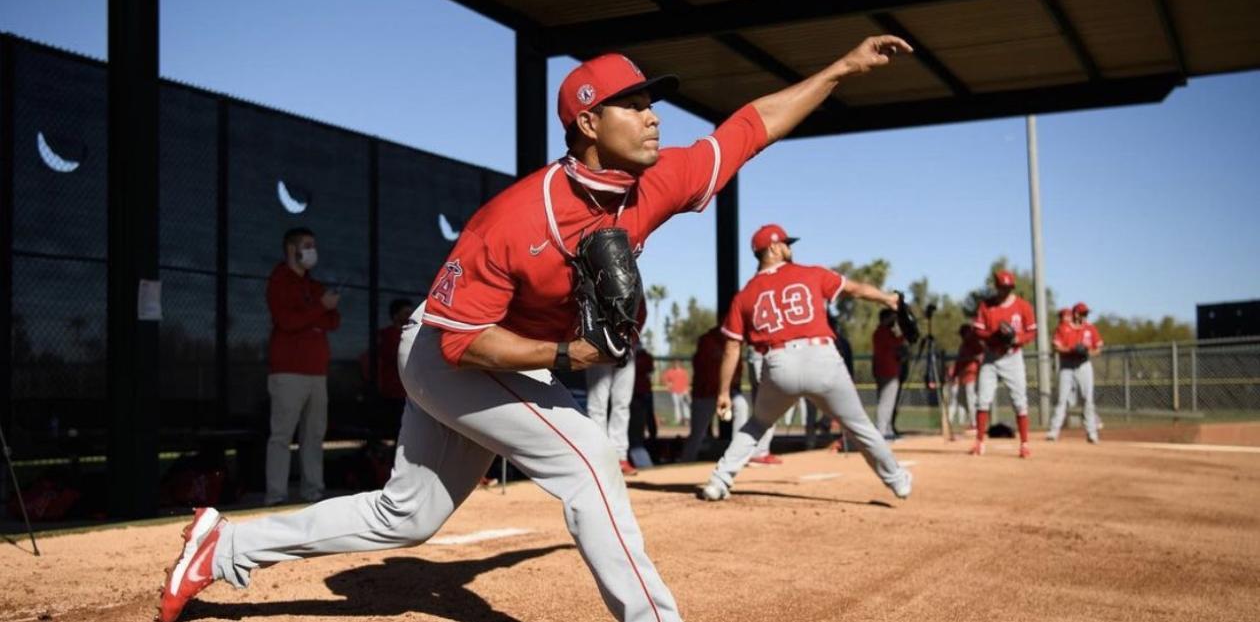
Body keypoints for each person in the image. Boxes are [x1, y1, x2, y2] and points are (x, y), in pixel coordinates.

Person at [156, 34, 913, 622]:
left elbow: (752, 127)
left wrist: (841, 67)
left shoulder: (653, 182)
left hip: (503, 356)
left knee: (405, 516)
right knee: (589, 457)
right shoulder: (517, 220)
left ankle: (225, 545)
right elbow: (462, 341)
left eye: (651, 102)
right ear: (587, 121)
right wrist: (567, 352)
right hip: (447, 349)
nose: (653, 115)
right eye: (633, 104)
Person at [698, 223, 913, 502]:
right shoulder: (810, 273)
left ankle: (718, 482)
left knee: (757, 425)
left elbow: (731, 347)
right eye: (785, 243)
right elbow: (856, 289)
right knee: (860, 426)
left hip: (778, 364)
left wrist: (724, 392)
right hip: (821, 357)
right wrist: (889, 299)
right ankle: (898, 481)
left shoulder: (745, 295)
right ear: (773, 248)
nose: (789, 248)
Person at [263, 227, 341, 506]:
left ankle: (313, 491)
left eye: (313, 245)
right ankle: (276, 495)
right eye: (307, 245)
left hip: (317, 372)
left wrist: (315, 311)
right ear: (291, 249)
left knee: (314, 436)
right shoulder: (279, 281)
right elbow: (287, 321)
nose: (312, 251)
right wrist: (319, 309)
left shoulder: (314, 285)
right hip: (288, 372)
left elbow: (333, 321)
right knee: (282, 435)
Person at [968, 269, 1037, 458]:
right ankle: (979, 442)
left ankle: (1024, 444)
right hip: (991, 356)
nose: (1005, 290)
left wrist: (1017, 338)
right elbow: (978, 330)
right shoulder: (987, 305)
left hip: (1013, 357)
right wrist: (995, 335)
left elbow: (1032, 331)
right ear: (997, 287)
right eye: (1002, 287)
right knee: (983, 399)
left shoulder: (1023, 306)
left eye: (1008, 287)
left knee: (1019, 401)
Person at [585, 303, 646, 475]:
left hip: (626, 344)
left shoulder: (635, 286)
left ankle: (620, 456)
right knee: (597, 403)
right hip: (599, 343)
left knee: (622, 403)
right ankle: (599, 457)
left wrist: (632, 337)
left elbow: (641, 310)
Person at [681, 325, 742, 462]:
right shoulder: (707, 340)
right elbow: (701, 368)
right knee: (698, 434)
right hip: (705, 394)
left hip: (725, 393)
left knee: (741, 404)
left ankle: (738, 454)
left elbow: (738, 371)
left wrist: (731, 388)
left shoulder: (735, 341)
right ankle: (686, 462)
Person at [1047, 302, 1104, 443]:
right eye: (1083, 313)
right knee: (1062, 400)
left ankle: (1091, 433)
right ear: (1075, 314)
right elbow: (1056, 347)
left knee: (1088, 399)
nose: (1085, 316)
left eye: (1086, 313)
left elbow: (1098, 348)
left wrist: (1087, 352)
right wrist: (1071, 350)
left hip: (1084, 365)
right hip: (1067, 366)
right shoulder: (1063, 328)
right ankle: (1053, 432)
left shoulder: (1090, 328)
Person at [360, 298, 414, 433]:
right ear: (395, 316)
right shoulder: (386, 335)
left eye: (411, 313)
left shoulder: (413, 336)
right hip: (391, 392)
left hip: (408, 392)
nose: (410, 317)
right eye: (406, 313)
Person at [872, 308, 908, 439]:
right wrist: (900, 332)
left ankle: (887, 429)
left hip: (884, 369)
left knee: (887, 401)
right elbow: (899, 343)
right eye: (892, 319)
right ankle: (882, 430)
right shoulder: (883, 332)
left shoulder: (880, 332)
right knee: (886, 402)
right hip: (888, 370)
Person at [946, 324, 983, 430]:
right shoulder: (963, 346)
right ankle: (970, 421)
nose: (963, 336)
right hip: (963, 376)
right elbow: (959, 362)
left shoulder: (975, 344)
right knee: (961, 400)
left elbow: (981, 357)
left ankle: (975, 423)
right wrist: (954, 375)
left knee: (972, 399)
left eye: (964, 333)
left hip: (972, 375)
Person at [627, 345, 657, 458]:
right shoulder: (628, 355)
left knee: (648, 419)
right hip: (633, 394)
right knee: (635, 423)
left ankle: (651, 444)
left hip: (644, 393)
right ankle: (637, 445)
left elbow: (650, 368)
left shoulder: (645, 356)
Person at [662, 360, 691, 426]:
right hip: (674, 391)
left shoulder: (684, 372)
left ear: (680, 364)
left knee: (685, 405)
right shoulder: (670, 371)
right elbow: (664, 378)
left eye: (678, 363)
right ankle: (678, 419)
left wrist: (687, 391)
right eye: (675, 363)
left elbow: (687, 381)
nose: (676, 365)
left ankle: (687, 419)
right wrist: (668, 384)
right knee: (676, 406)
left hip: (683, 391)